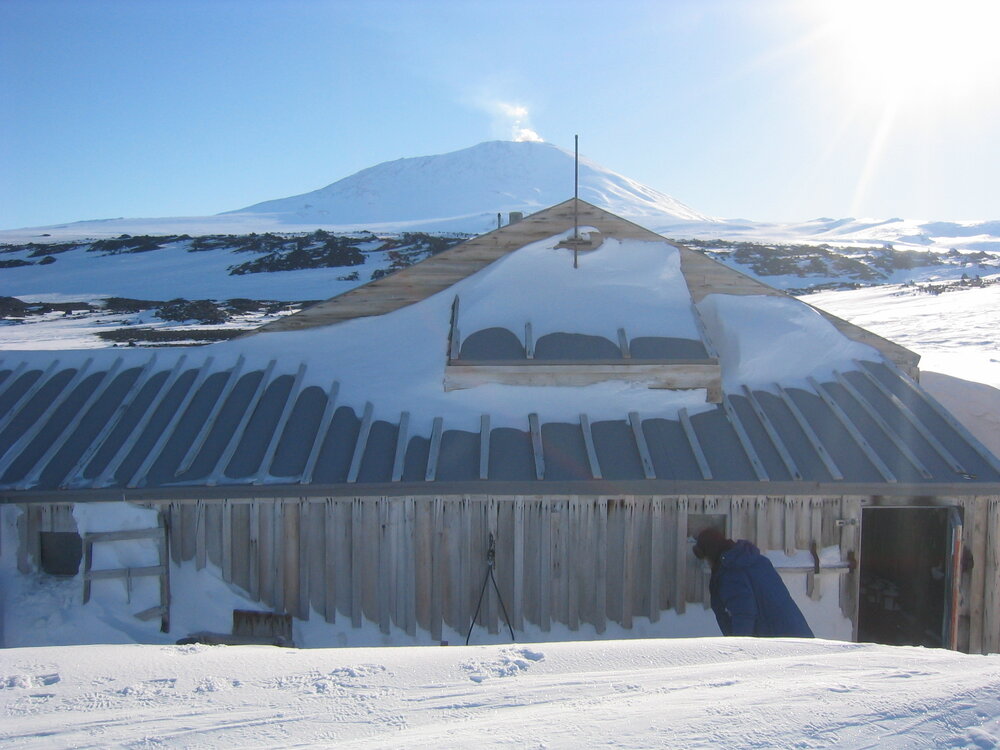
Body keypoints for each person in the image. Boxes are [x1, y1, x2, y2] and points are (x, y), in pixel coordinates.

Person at [693, 527, 814, 638]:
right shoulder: (755, 561)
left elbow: (743, 616)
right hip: (799, 636)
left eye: (706, 559)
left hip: (780, 645)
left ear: (711, 554)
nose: (707, 564)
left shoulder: (732, 573)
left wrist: (738, 652)